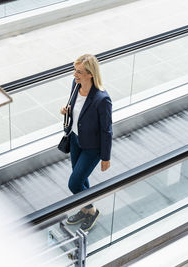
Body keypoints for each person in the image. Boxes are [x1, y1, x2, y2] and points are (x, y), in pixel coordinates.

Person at [60, 54, 113, 231]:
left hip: (92, 148)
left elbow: (107, 131)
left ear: (90, 74)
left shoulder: (102, 99)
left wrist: (105, 158)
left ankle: (92, 210)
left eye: (79, 71)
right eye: (75, 70)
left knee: (74, 183)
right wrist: (66, 110)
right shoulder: (76, 85)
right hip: (75, 139)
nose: (75, 74)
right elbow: (76, 109)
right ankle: (85, 210)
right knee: (81, 178)